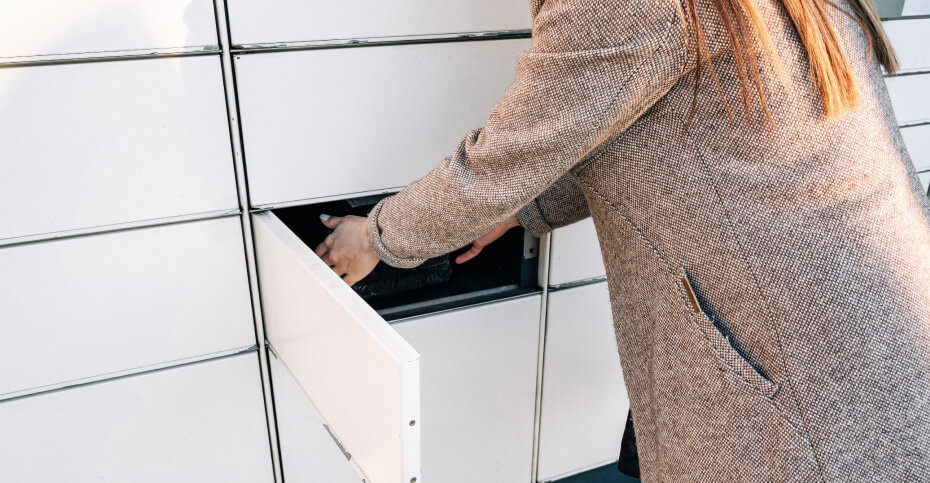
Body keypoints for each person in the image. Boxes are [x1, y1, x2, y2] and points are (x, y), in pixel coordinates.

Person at [313, 0, 930, 479]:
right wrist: (525, 209)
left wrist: (375, 237)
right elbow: (665, 138)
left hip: (804, 403)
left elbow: (499, 162)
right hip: (876, 356)